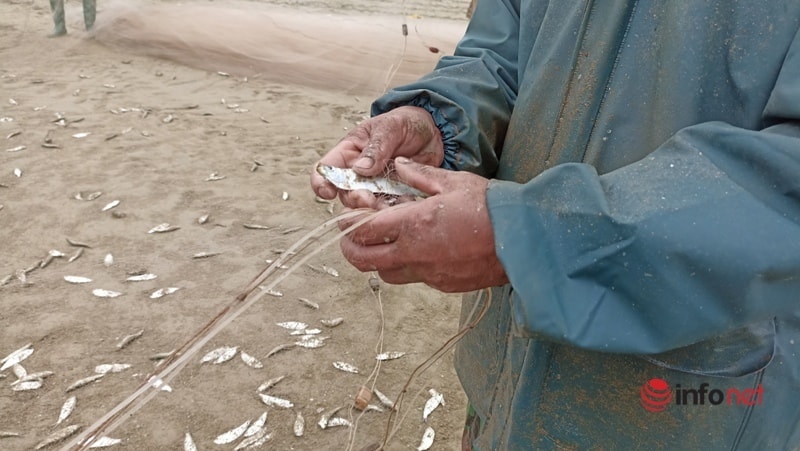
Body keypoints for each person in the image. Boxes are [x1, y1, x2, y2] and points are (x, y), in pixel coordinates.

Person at [311, 1, 800, 449]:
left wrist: (530, 238)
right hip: (496, 380)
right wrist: (437, 123)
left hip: (692, 412)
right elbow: (499, 58)